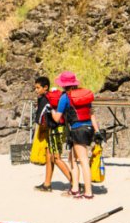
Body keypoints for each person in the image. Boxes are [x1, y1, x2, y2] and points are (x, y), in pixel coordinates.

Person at [53, 71, 97, 199]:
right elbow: (91, 113)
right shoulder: (83, 95)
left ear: (63, 85)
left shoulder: (65, 97)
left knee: (83, 160)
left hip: (77, 129)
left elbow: (57, 118)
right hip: (88, 128)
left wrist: (51, 110)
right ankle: (75, 189)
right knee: (72, 159)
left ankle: (88, 192)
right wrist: (97, 130)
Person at [32, 76, 73, 193]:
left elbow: (39, 119)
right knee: (49, 157)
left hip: (55, 130)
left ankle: (74, 183)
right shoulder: (54, 96)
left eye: (38, 88)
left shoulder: (45, 98)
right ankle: (47, 184)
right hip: (59, 128)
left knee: (56, 158)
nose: (36, 90)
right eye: (35, 88)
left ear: (45, 87)